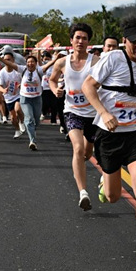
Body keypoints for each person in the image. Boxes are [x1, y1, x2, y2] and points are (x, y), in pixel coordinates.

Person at [82, 15, 136, 267]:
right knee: (113, 195)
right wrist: (104, 113)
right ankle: (104, 187)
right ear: (125, 41)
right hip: (109, 135)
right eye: (134, 43)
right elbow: (88, 86)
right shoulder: (112, 58)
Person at [49, 23, 100, 209]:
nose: (80, 41)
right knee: (78, 149)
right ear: (71, 41)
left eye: (84, 38)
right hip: (72, 111)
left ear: (88, 41)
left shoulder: (95, 62)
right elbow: (52, 80)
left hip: (93, 114)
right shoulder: (62, 62)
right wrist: (56, 91)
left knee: (87, 153)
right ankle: (83, 192)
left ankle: (84, 164)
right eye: (77, 37)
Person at [0, 52, 25, 139]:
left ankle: (22, 122)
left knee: (18, 109)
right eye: (5, 60)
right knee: (12, 118)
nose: (6, 61)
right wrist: (3, 90)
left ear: (13, 60)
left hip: (19, 94)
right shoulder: (2, 73)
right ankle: (17, 130)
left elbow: (24, 80)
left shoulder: (18, 71)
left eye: (9, 59)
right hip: (8, 97)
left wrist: (21, 85)